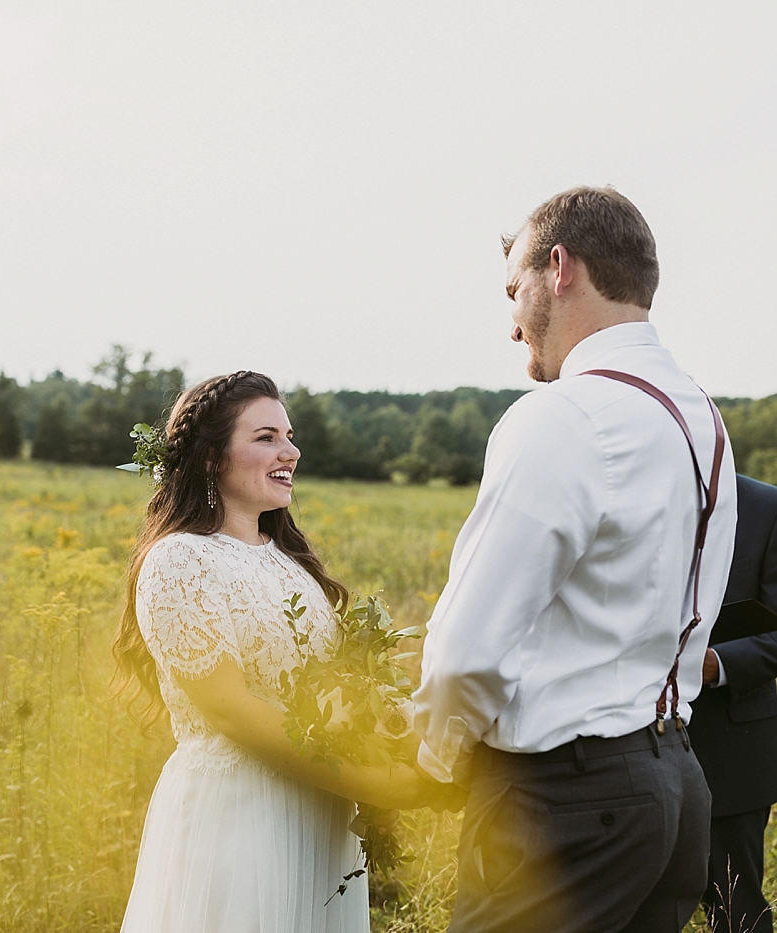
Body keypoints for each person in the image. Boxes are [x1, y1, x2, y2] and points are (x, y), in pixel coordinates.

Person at [413, 186, 738, 932]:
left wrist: (433, 758)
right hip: (675, 783)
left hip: (562, 797)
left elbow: (466, 649)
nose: (512, 325)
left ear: (559, 267)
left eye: (513, 291)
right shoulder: (700, 416)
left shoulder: (565, 416)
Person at [115, 371, 443, 933]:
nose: (290, 450)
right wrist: (371, 782)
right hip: (239, 816)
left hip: (319, 814)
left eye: (288, 436)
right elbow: (228, 709)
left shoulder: (292, 564)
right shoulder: (179, 562)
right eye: (265, 437)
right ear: (212, 457)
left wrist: (395, 739)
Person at [689, 474, 777, 933]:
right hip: (618, 749)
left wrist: (716, 663)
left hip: (730, 751)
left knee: (736, 912)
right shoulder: (616, 495)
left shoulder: (772, 507)